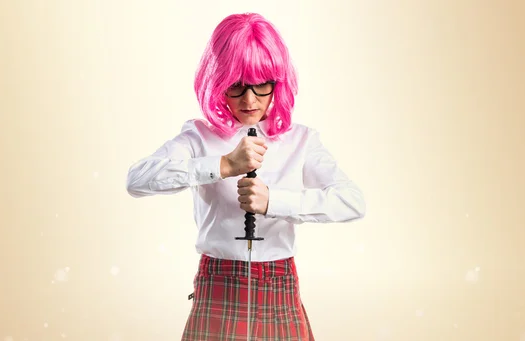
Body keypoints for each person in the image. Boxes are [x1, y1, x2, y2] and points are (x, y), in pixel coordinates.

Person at [126, 12, 366, 341]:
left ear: (277, 83)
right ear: (218, 83)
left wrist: (275, 201)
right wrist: (221, 165)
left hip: (278, 283)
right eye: (236, 87)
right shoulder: (199, 137)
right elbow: (137, 180)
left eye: (261, 85)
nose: (250, 100)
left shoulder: (301, 140)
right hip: (219, 283)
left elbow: (352, 202)